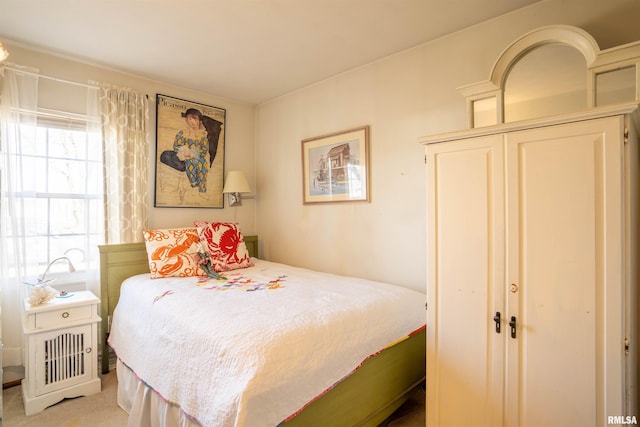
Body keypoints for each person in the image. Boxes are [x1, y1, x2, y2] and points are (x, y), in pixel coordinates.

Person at [162, 108, 210, 193]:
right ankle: (193, 183)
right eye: (190, 119)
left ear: (200, 122)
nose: (192, 121)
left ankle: (202, 188)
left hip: (198, 156)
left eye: (194, 119)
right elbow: (176, 145)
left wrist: (193, 153)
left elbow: (204, 150)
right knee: (189, 162)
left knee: (202, 163)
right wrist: (184, 151)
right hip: (185, 155)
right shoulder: (183, 132)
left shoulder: (203, 135)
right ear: (186, 120)